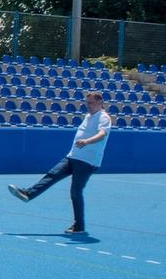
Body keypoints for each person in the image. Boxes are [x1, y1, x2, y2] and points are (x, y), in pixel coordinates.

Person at [8, 91, 112, 235]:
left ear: (100, 103)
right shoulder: (89, 116)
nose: (88, 105)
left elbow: (102, 134)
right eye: (87, 103)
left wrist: (87, 141)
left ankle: (79, 226)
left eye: (91, 103)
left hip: (87, 161)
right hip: (73, 156)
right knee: (51, 175)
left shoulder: (103, 117)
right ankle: (28, 194)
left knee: (75, 191)